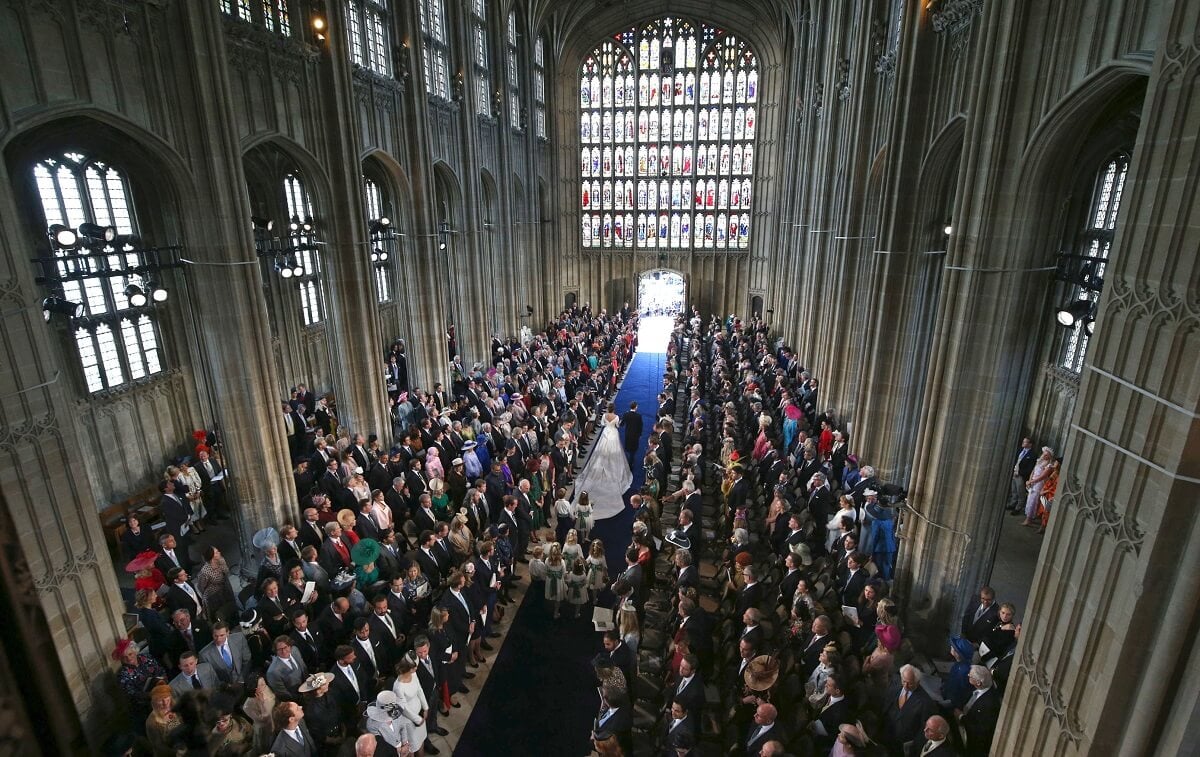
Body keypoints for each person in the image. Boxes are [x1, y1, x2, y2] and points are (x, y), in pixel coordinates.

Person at [572, 404, 633, 520]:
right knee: (614, 453)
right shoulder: (616, 417)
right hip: (613, 434)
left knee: (600, 452)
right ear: (614, 409)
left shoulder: (605, 415)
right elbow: (617, 426)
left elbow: (602, 424)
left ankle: (602, 464)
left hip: (605, 434)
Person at [390, 654, 432, 754]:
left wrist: (425, 707)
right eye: (415, 667)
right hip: (409, 721)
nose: (417, 668)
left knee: (421, 740)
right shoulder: (398, 686)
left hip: (419, 713)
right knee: (413, 745)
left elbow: (419, 689)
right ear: (408, 668)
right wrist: (418, 719)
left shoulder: (413, 674)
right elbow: (404, 709)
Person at [144, 684, 182, 757]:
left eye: (166, 697)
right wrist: (177, 753)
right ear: (154, 702)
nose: (165, 702)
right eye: (160, 700)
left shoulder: (178, 707)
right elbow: (159, 747)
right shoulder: (152, 722)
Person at [1022, 446, 1056, 526]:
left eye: (1047, 455)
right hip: (1033, 481)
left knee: (1033, 501)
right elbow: (1033, 471)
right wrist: (1029, 480)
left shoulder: (1049, 465)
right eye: (1044, 454)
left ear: (1050, 456)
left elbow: (1042, 476)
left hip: (1039, 483)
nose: (1044, 456)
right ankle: (1028, 517)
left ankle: (1029, 519)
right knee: (1029, 499)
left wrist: (1032, 481)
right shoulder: (1039, 461)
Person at [621, 400, 643, 468]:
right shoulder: (638, 416)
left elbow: (622, 424)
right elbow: (640, 426)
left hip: (628, 434)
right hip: (635, 435)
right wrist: (640, 435)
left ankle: (627, 461)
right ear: (636, 407)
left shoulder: (626, 414)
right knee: (633, 450)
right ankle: (631, 463)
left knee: (628, 448)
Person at [585, 539, 609, 603]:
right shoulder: (591, 555)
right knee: (590, 585)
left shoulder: (602, 557)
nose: (594, 548)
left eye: (596, 547)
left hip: (598, 573)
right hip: (592, 572)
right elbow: (587, 562)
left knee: (595, 587)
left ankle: (594, 599)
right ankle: (590, 597)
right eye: (594, 546)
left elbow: (604, 566)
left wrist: (605, 575)